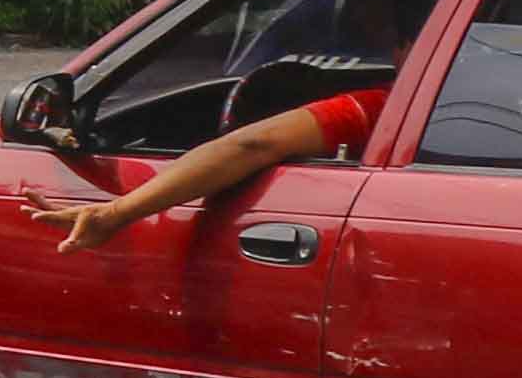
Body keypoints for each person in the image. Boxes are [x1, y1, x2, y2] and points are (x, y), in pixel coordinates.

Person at [36, 78, 380, 250]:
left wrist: (113, 213)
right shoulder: (409, 107)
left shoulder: (376, 106)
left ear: (403, 48)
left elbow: (253, 143)